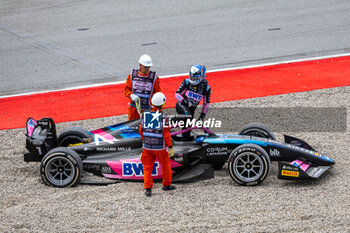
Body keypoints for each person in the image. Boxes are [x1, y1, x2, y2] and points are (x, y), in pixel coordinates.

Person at [139, 92, 175, 197]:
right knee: (166, 165)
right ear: (162, 104)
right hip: (160, 148)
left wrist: (144, 141)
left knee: (147, 167)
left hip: (147, 146)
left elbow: (141, 130)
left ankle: (148, 188)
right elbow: (166, 134)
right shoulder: (164, 117)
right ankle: (166, 185)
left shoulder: (144, 115)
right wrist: (171, 146)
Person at [174, 64, 211, 137]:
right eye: (191, 77)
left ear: (201, 76)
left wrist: (201, 117)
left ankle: (184, 140)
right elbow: (177, 94)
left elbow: (206, 104)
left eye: (195, 78)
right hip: (181, 105)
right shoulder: (186, 82)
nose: (192, 79)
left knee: (186, 133)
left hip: (191, 110)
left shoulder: (206, 87)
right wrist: (185, 102)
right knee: (188, 116)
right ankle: (167, 123)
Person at [124, 54, 161, 120]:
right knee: (133, 128)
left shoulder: (154, 77)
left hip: (149, 108)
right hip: (134, 109)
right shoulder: (132, 75)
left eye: (149, 67)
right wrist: (131, 95)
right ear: (140, 65)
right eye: (145, 67)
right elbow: (126, 89)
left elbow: (157, 93)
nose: (147, 69)